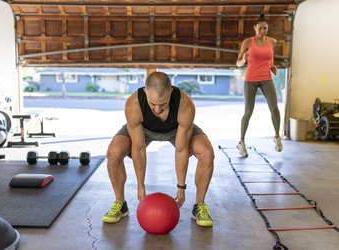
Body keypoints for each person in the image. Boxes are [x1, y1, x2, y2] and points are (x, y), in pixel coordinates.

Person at [102, 71, 214, 227]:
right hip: (143, 129)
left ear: (171, 91)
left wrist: (181, 187)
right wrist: (141, 185)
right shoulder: (133, 104)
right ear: (145, 91)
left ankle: (199, 205)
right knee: (113, 153)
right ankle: (120, 203)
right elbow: (139, 148)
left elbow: (181, 150)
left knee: (207, 153)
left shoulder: (185, 105)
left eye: (162, 103)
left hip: (177, 129)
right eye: (152, 103)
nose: (157, 109)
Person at [236, 13, 283, 157]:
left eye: (265, 28)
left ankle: (277, 137)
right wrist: (243, 60)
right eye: (260, 28)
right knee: (248, 111)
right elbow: (238, 63)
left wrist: (273, 67)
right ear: (255, 28)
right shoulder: (248, 42)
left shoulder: (272, 42)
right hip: (250, 79)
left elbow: (270, 59)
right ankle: (241, 142)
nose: (263, 31)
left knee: (274, 108)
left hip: (266, 78)